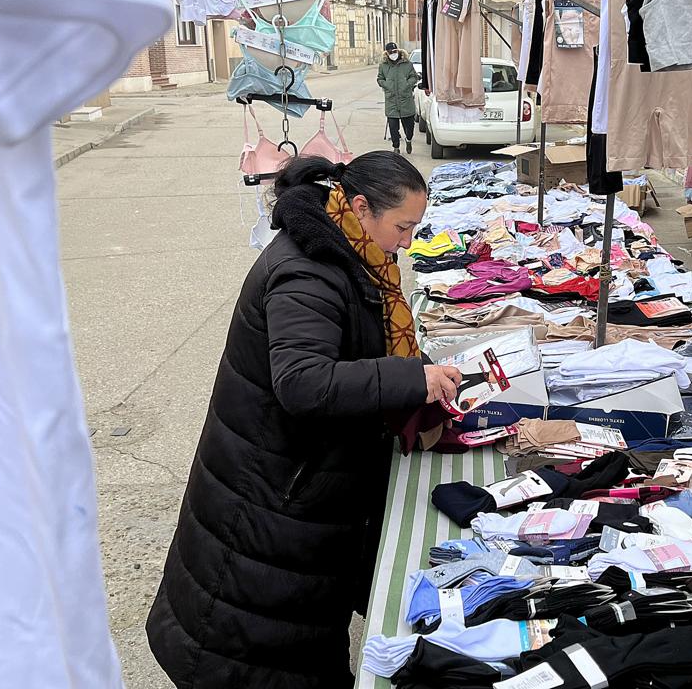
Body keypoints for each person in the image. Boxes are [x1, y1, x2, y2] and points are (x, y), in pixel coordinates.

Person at [146, 152, 463, 689]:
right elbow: (304, 382)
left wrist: (418, 377)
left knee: (294, 644)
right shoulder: (307, 269)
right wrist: (412, 380)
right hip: (272, 502)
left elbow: (353, 351)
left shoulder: (347, 250)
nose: (409, 243)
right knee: (259, 655)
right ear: (361, 207)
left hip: (291, 493)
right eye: (403, 227)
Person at [376, 41, 419, 154]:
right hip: (391, 100)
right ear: (387, 53)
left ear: (398, 51)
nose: (393, 53)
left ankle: (408, 140)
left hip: (406, 99)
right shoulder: (383, 66)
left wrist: (407, 84)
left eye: (395, 51)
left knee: (409, 127)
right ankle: (396, 147)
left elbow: (414, 77)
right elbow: (380, 79)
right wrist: (386, 85)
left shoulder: (407, 64)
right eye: (390, 52)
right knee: (393, 127)